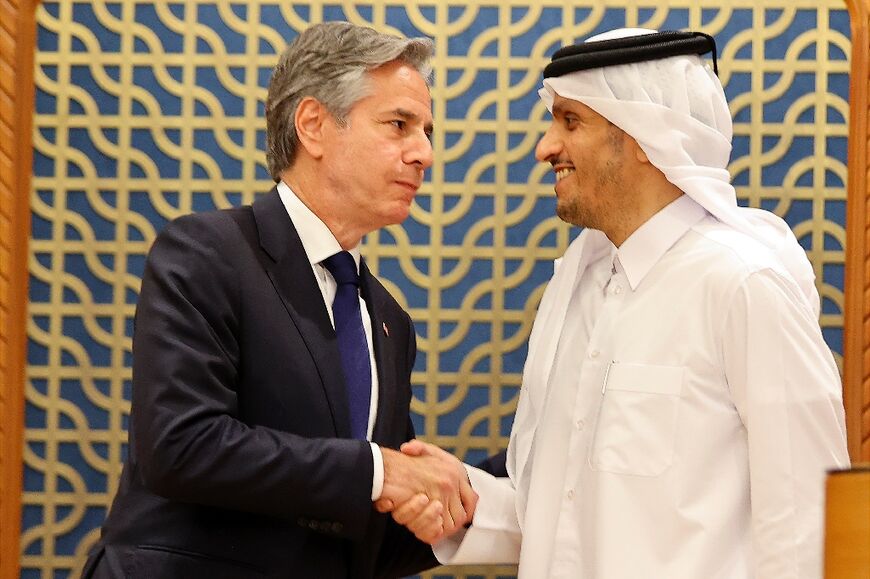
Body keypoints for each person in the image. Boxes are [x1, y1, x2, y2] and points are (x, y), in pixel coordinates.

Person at [386, 28, 850, 578]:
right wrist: (461, 499)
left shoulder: (742, 283)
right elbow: (566, 509)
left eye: (570, 121)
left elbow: (806, 528)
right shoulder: (576, 285)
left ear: (641, 135)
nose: (545, 147)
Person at [81, 21, 476, 579]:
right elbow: (181, 445)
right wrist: (379, 471)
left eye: (427, 132)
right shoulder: (207, 253)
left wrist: (492, 495)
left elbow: (365, 529)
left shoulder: (389, 320)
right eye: (399, 125)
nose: (424, 154)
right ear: (313, 126)